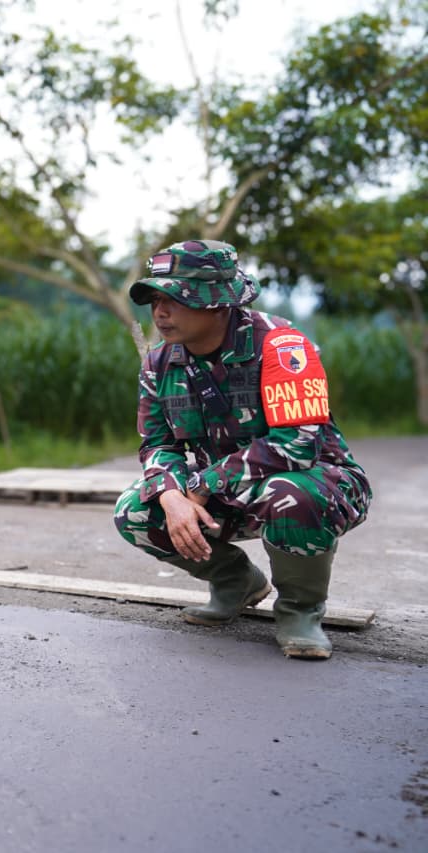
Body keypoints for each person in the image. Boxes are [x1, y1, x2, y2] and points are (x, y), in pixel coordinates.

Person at [113, 239, 372, 661]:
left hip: (320, 485)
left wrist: (202, 484)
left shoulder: (282, 346)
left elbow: (297, 445)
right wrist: (172, 495)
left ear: (218, 303)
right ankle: (237, 582)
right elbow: (157, 444)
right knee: (136, 511)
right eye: (156, 300)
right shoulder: (159, 364)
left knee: (290, 493)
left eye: (176, 299)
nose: (160, 312)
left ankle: (300, 610)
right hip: (227, 490)